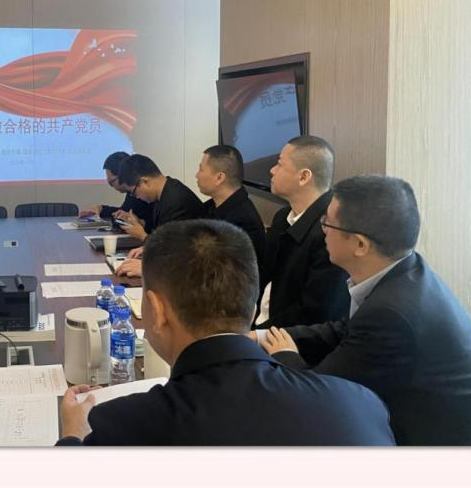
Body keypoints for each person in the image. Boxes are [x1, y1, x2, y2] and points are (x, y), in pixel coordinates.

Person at [58, 219, 394, 446]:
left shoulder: (119, 428)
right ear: (252, 306)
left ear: (157, 311)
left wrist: (73, 436)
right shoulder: (360, 404)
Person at [258, 175, 471, 446]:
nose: (322, 230)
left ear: (360, 245)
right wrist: (262, 337)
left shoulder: (391, 313)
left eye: (327, 222)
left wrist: (284, 355)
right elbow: (345, 330)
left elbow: (321, 397)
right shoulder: (404, 270)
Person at [116, 145, 265, 279]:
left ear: (219, 177)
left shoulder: (242, 219)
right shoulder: (212, 207)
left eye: (201, 169)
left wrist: (151, 270)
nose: (197, 175)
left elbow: (211, 271)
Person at [256, 135, 350, 328]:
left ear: (304, 177)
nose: (272, 170)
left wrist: (255, 335)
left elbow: (314, 314)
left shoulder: (331, 233)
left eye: (279, 164)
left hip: (285, 338)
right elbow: (264, 277)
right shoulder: (282, 217)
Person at [79, 150, 155, 227]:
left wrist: (140, 222)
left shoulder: (142, 192)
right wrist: (100, 208)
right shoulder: (132, 192)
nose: (111, 186)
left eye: (113, 181)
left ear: (124, 174)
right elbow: (123, 212)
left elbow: (153, 225)